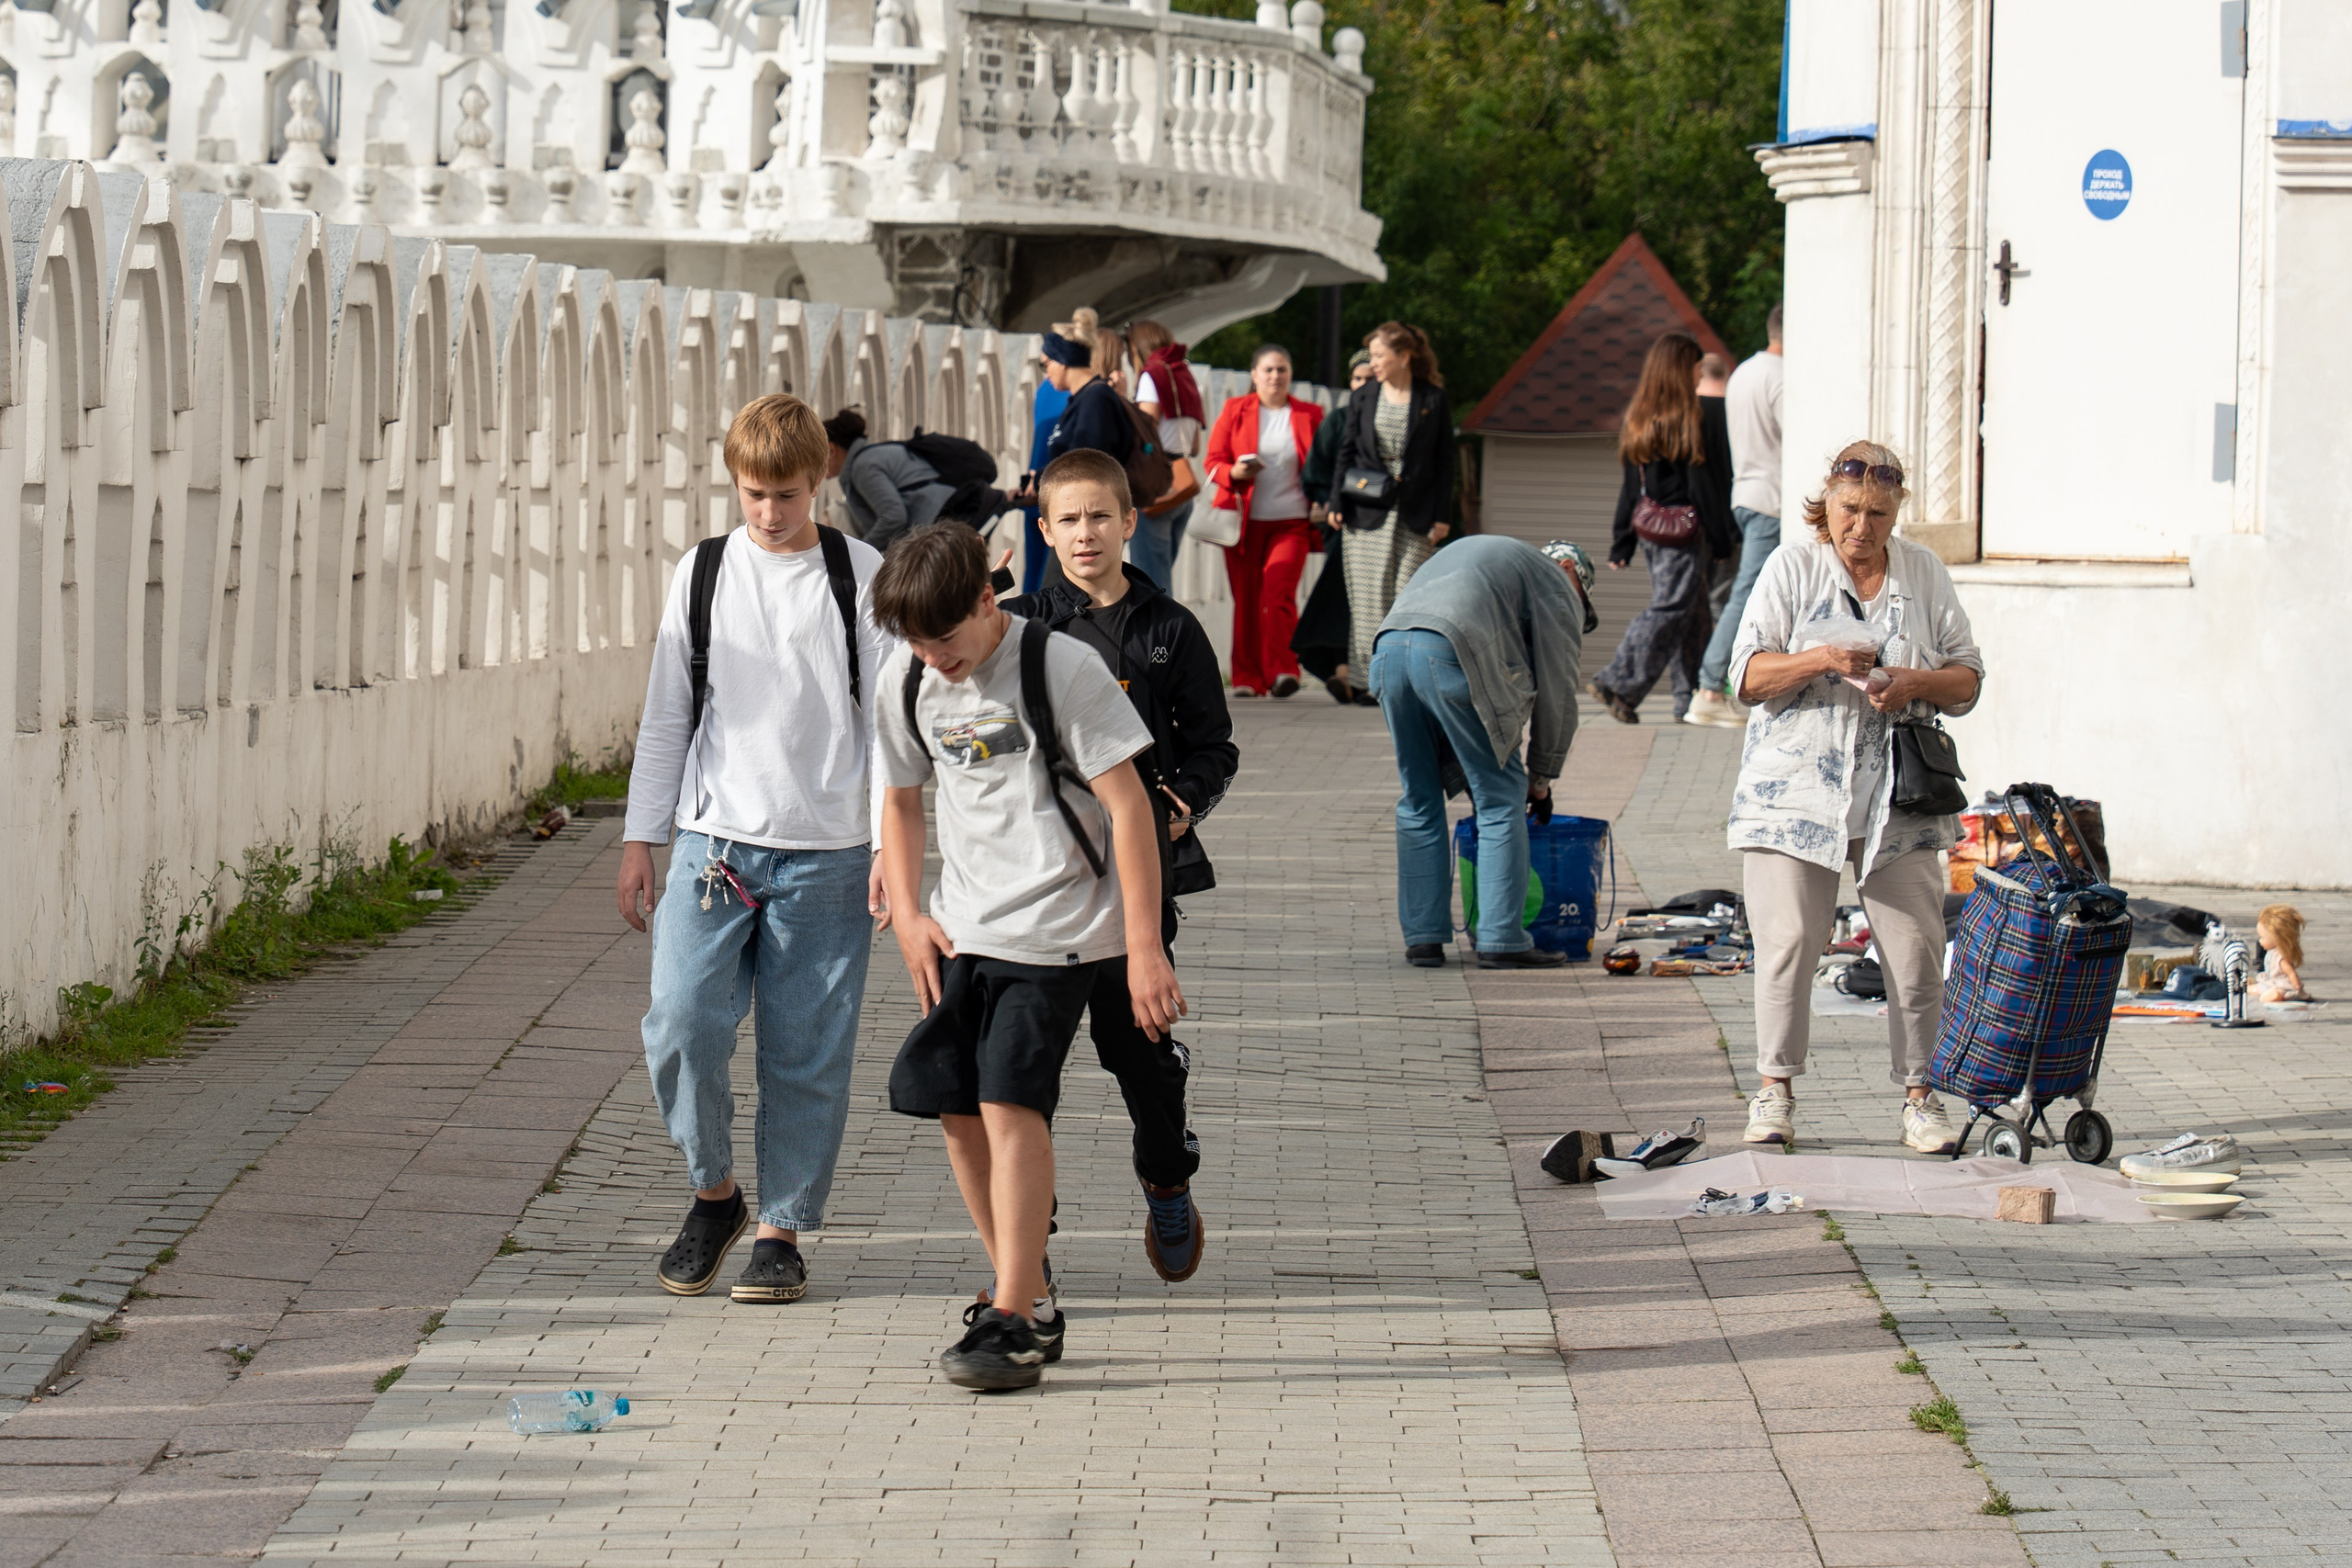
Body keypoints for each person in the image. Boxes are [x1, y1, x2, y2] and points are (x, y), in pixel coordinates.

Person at [873, 522, 1178, 1392]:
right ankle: (1030, 1288)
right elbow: (899, 802)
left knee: (1008, 1101)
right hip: (967, 926)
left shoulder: (1061, 668)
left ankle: (1010, 1314)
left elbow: (1130, 808)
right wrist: (905, 913)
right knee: (954, 1107)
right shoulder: (908, 680)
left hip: (1062, 928)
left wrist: (1144, 946)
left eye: (948, 637)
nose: (936, 658)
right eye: (917, 643)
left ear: (986, 599)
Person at [618, 393, 900, 1305]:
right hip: (714, 844)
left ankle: (780, 1226)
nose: (770, 513)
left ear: (819, 480)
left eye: (785, 494)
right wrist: (641, 839)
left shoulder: (858, 574)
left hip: (829, 847)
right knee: (680, 1021)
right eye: (752, 494)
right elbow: (669, 711)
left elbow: (889, 725)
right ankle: (715, 1192)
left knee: (805, 1047)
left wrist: (896, 851)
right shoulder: (701, 573)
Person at [993, 447, 1237, 1281]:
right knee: (1022, 1068)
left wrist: (1182, 801)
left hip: (1134, 884)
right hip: (1037, 888)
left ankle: (1167, 1177)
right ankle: (1031, 1242)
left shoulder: (1170, 628)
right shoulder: (1021, 624)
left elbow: (1215, 746)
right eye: (1069, 518)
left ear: (1132, 522)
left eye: (1102, 515)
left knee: (1140, 1053)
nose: (1086, 532)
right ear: (1045, 529)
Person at [1727, 441, 1984, 1154]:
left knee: (1917, 949)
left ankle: (1921, 1097)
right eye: (1848, 511)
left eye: (1876, 513)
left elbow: (1968, 678)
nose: (1861, 528)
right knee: (1790, 944)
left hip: (1896, 799)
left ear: (1896, 510)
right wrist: (1822, 659)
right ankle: (1775, 1092)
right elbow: (1742, 676)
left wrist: (1913, 683)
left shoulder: (1923, 572)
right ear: (1827, 504)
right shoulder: (1793, 564)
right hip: (1794, 796)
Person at [1368, 535, 1589, 971]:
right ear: (1570, 571)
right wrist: (1539, 779)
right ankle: (1502, 939)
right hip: (1449, 648)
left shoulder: (1497, 561)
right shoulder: (1555, 581)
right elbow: (1559, 692)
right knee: (1500, 796)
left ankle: (1424, 937)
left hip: (1389, 649)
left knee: (1419, 797)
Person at [1589, 333, 1736, 724]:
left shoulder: (1641, 417)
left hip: (1653, 533)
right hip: (1683, 534)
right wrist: (1722, 537)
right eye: (1695, 368)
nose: (1699, 375)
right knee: (1670, 609)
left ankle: (1690, 700)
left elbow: (1630, 488)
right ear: (1679, 369)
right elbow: (1703, 488)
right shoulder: (1689, 419)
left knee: (1695, 615)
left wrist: (1622, 542)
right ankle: (1617, 681)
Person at [1338, 322, 1456, 705]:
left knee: (1407, 596)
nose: (1372, 363)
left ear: (1403, 357)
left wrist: (1442, 516)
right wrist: (1336, 503)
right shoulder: (1364, 397)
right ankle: (1371, 681)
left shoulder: (1433, 398)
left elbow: (1445, 462)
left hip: (1416, 513)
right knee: (1369, 598)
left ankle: (1404, 678)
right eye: (1370, 356)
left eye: (1378, 355)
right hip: (1367, 510)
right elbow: (1347, 449)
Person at [1205, 344, 1323, 699]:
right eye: (1268, 370)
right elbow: (1212, 462)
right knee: (1247, 599)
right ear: (1254, 375)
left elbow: (1323, 464)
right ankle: (1247, 677)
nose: (1275, 376)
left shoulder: (1310, 414)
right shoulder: (1234, 409)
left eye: (1282, 370)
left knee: (1278, 592)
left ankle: (1284, 671)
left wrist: (1322, 499)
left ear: (1290, 375)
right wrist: (1235, 471)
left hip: (1292, 521)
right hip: (1242, 522)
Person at [1688, 305, 1785, 728]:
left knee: (1750, 592)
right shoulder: (1780, 376)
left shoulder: (1744, 371)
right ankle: (1710, 686)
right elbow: (1798, 436)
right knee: (1746, 593)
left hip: (1747, 492)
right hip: (1773, 498)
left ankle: (1716, 685)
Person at [1297, 349, 1375, 702]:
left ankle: (1357, 673)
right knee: (1343, 595)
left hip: (1381, 523)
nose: (1364, 385)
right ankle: (1343, 670)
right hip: (1342, 524)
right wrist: (1333, 505)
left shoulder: (1391, 420)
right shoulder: (1338, 421)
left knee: (1370, 598)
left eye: (1371, 379)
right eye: (1358, 379)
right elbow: (1315, 474)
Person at [1127, 319, 1204, 593]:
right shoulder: (1185, 376)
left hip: (1156, 488)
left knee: (1151, 587)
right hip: (1183, 486)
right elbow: (1194, 446)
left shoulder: (1153, 375)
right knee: (1161, 579)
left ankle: (1162, 639)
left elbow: (1144, 430)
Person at [823, 409, 949, 552]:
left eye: (816, 455)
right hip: (942, 521)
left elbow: (894, 516)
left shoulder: (863, 466)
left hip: (937, 530)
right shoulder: (870, 454)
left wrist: (863, 552)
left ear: (831, 450)